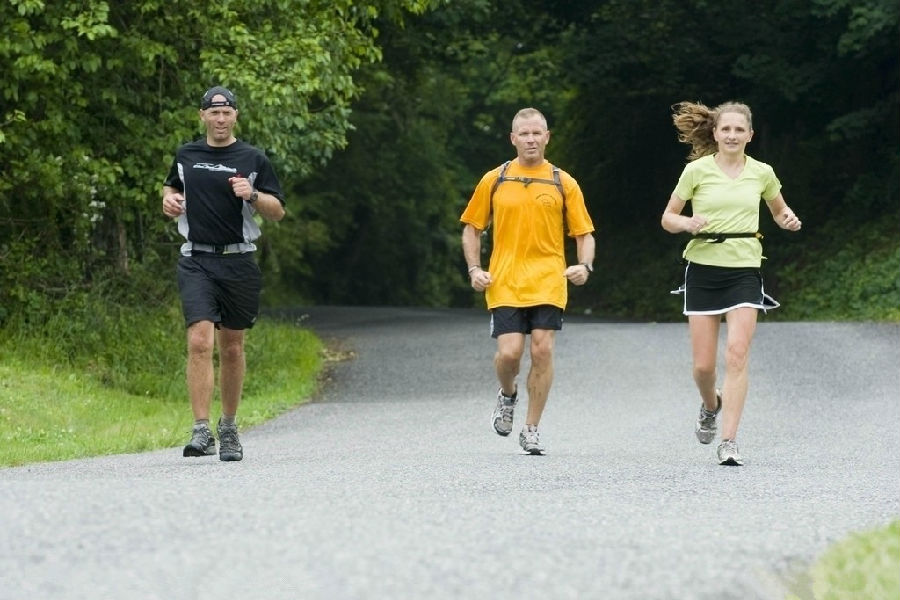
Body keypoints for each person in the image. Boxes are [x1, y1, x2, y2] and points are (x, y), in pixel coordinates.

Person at [661, 100, 802, 466]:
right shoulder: (696, 171)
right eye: (726, 129)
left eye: (739, 130)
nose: (732, 135)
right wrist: (687, 223)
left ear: (750, 135)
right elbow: (668, 218)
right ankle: (711, 405)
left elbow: (779, 209)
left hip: (744, 269)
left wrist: (788, 219)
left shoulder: (762, 172)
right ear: (715, 132)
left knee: (737, 353)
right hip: (703, 269)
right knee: (703, 368)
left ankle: (729, 440)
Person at [460, 107, 595, 455]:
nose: (531, 140)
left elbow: (584, 233)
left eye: (537, 133)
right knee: (509, 354)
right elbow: (472, 228)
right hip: (504, 279)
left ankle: (531, 428)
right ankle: (508, 394)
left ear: (547, 137)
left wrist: (585, 265)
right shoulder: (495, 179)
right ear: (513, 138)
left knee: (542, 350)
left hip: (549, 279)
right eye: (524, 134)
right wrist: (475, 269)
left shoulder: (563, 182)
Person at [161, 85, 286, 462]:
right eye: (213, 113)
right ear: (202, 116)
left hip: (238, 260)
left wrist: (252, 194)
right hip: (196, 258)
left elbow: (277, 211)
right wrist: (168, 200)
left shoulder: (253, 158)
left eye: (226, 113)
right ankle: (201, 430)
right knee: (199, 342)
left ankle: (228, 427)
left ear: (235, 116)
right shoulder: (187, 154)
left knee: (231, 347)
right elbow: (171, 186)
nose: (220, 119)